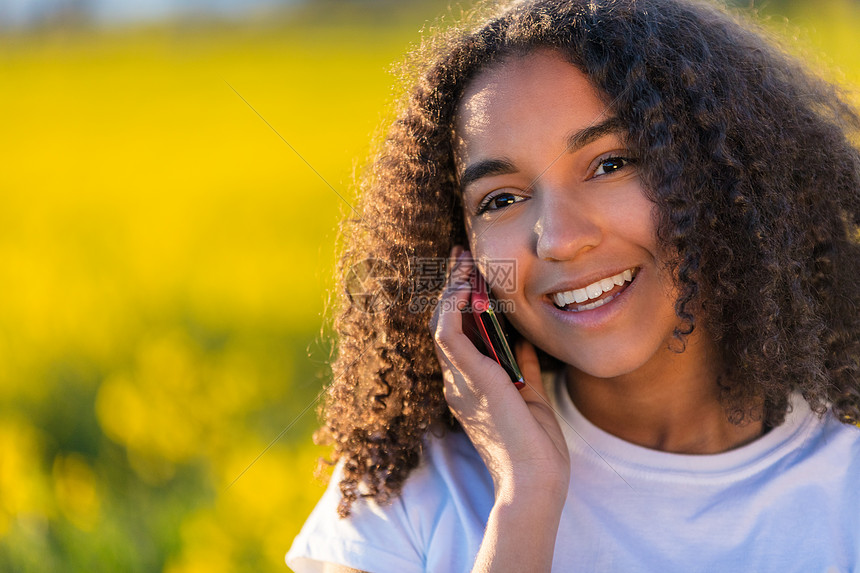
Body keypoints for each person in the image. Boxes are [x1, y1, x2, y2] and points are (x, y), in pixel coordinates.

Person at [287, 0, 860, 570]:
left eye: (611, 164)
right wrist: (524, 498)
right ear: (462, 260)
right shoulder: (410, 496)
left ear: (724, 171)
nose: (558, 239)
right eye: (501, 200)